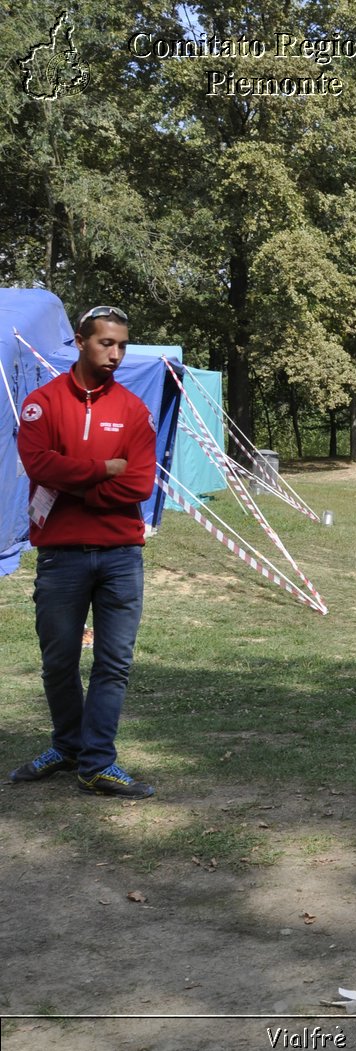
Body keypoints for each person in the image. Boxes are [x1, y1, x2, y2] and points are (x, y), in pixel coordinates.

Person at [10, 305, 158, 800]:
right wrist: (102, 471)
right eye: (105, 343)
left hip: (120, 556)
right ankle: (68, 746)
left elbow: (138, 482)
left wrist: (78, 479)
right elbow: (38, 464)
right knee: (58, 661)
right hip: (61, 555)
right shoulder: (43, 403)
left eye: (121, 345)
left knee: (113, 664)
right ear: (80, 342)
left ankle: (97, 762)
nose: (115, 354)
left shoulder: (134, 411)